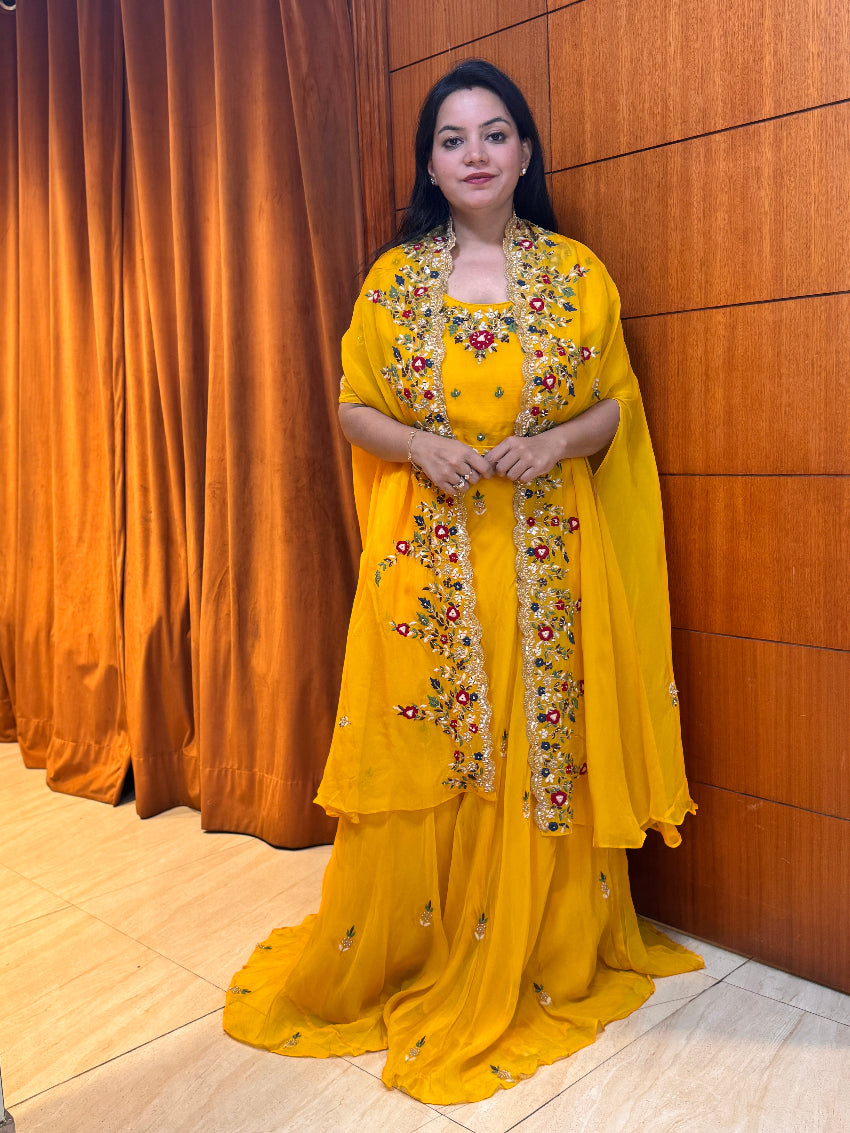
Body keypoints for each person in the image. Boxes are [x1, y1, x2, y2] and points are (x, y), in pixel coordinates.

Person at [223, 58, 703, 1104]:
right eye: (452, 138)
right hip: (427, 562)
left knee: (539, 742)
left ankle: (542, 945)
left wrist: (561, 441)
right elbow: (353, 405)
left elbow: (616, 404)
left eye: (494, 134)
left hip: (543, 559)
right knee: (433, 739)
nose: (475, 154)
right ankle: (414, 950)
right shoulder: (395, 280)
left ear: (525, 152)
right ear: (430, 164)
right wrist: (414, 445)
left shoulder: (578, 274)